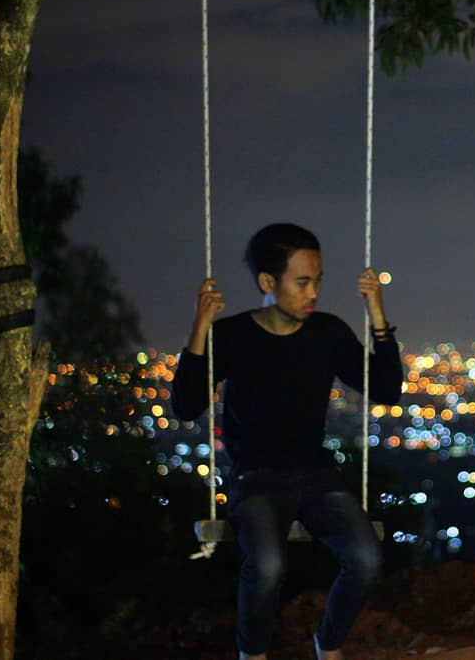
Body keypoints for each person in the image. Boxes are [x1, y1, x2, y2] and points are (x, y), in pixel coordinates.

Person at [171, 223, 404, 660]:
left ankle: (328, 645)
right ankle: (252, 654)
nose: (313, 292)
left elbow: (388, 389)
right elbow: (184, 405)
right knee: (267, 565)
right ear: (267, 282)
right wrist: (201, 327)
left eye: (317, 281)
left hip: (315, 475)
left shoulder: (328, 333)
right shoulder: (234, 336)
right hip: (256, 479)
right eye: (302, 282)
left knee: (366, 560)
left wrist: (377, 313)